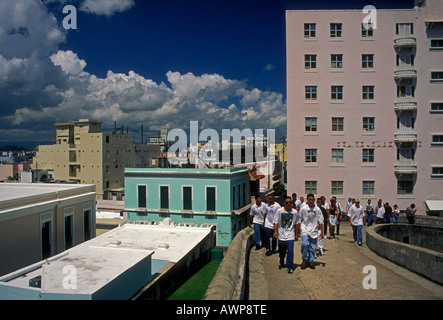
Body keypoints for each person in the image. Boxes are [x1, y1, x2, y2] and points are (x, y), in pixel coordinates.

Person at [273, 196, 299, 273]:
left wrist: (296, 234)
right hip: (281, 234)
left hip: (290, 234)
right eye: (287, 202)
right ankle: (281, 260)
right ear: (284, 203)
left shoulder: (294, 212)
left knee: (290, 251)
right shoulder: (279, 211)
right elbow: (276, 222)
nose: (288, 204)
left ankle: (289, 266)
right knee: (282, 251)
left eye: (290, 202)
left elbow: (297, 223)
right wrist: (275, 231)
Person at [298, 193, 324, 270]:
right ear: (307, 200)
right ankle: (305, 260)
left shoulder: (317, 209)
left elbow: (321, 221)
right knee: (304, 244)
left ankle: (311, 261)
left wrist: (321, 232)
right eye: (310, 200)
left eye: (312, 200)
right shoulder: (303, 208)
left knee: (312, 247)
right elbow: (299, 219)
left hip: (314, 230)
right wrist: (298, 231)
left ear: (314, 200)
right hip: (305, 229)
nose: (311, 201)